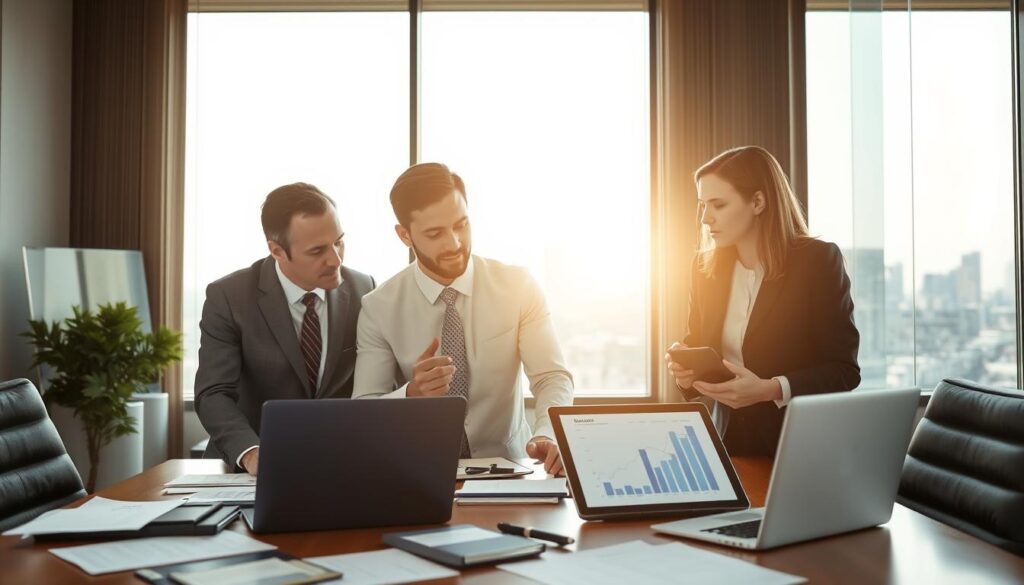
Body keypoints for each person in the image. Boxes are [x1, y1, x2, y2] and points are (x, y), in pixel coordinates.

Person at [352, 163, 574, 475]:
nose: (455, 243)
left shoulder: (517, 285)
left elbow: (551, 377)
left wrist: (548, 434)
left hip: (513, 471)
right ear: (404, 235)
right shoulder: (379, 307)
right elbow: (363, 411)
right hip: (419, 472)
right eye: (435, 233)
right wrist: (411, 393)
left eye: (461, 225)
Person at [665, 146, 860, 456]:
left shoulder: (818, 262)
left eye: (718, 205)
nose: (705, 218)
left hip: (797, 447)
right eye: (702, 205)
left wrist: (769, 389)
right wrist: (685, 373)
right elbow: (699, 344)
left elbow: (844, 371)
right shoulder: (704, 270)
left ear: (758, 201)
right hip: (727, 445)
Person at [195, 183, 375, 474]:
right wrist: (252, 454)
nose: (336, 259)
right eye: (317, 251)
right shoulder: (229, 296)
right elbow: (213, 393)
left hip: (339, 463)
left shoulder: (363, 288)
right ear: (277, 251)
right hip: (250, 471)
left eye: (338, 242)